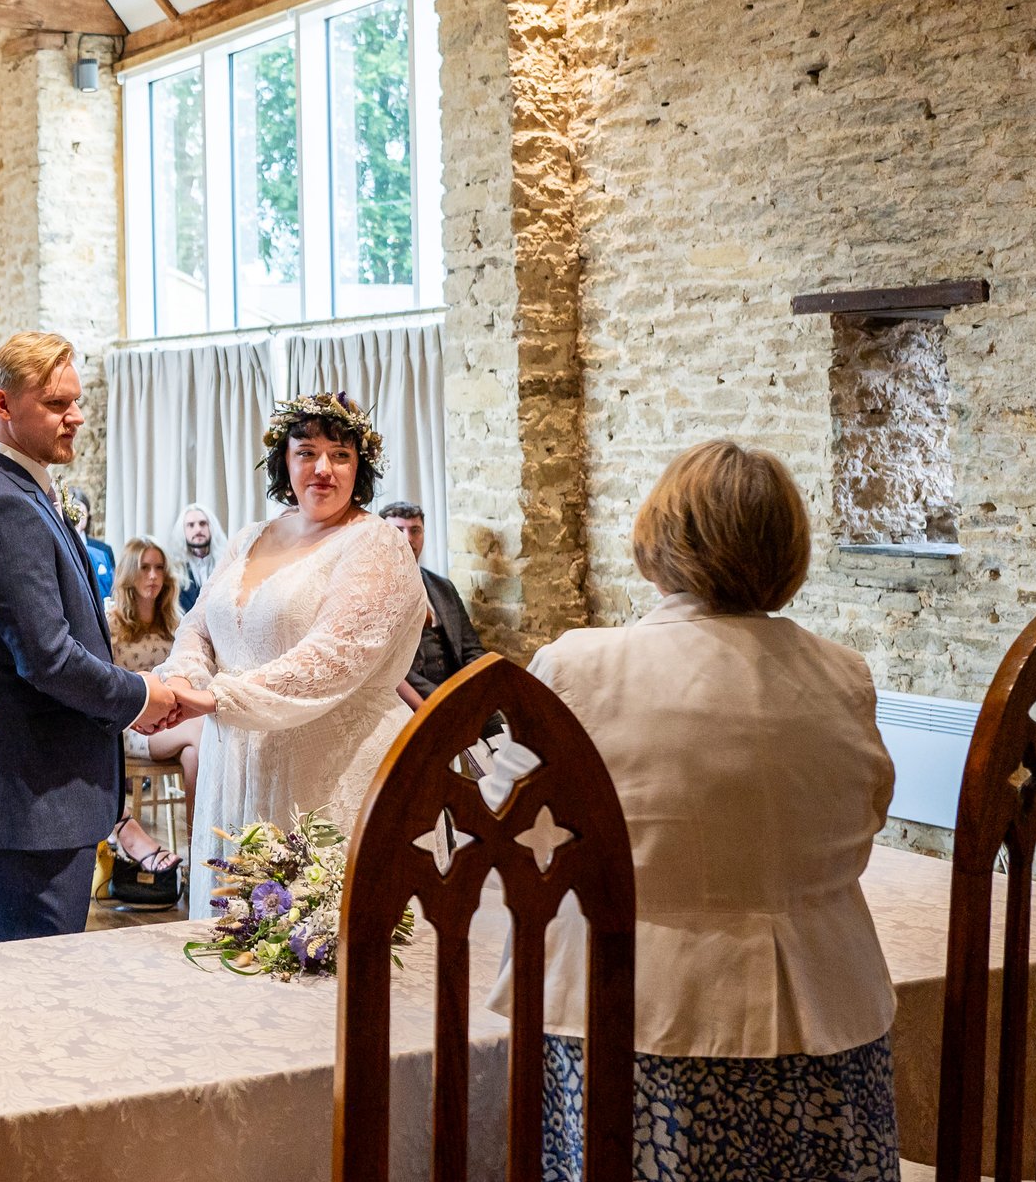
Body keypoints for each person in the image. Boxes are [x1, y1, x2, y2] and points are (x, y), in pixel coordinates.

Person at [494, 440, 900, 1182]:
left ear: (660, 535)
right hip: (824, 1015)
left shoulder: (581, 667)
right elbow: (869, 810)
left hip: (643, 1017)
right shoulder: (844, 673)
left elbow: (509, 831)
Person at [0, 333, 191, 943]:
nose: (76, 416)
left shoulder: (21, 492)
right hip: (28, 798)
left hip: (41, 795)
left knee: (29, 993)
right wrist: (141, 695)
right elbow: (48, 659)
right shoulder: (4, 506)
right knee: (27, 999)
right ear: (3, 405)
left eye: (76, 401)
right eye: (57, 404)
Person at [157, 393, 429, 916]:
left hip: (327, 769)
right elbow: (198, 626)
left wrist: (212, 698)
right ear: (285, 460)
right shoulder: (250, 538)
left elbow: (332, 659)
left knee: (313, 945)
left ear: (361, 467)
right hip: (232, 762)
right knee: (233, 936)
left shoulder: (376, 545)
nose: (322, 469)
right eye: (306, 452)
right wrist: (184, 682)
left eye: (341, 455)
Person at [104, 535, 194, 885]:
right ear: (129, 573)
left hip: (172, 719)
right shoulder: (110, 622)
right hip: (131, 724)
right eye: (144, 568)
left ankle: (197, 849)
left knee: (196, 749)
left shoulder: (174, 620)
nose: (153, 576)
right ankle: (200, 848)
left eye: (159, 568)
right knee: (202, 734)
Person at [375, 500, 486, 697]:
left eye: (415, 530)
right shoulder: (374, 593)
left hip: (459, 689)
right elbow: (390, 669)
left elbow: (472, 649)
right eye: (398, 530)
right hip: (413, 699)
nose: (408, 538)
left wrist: (474, 688)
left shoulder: (443, 587)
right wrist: (443, 699)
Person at [170, 503, 225, 615]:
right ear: (183, 531)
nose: (198, 530)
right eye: (191, 525)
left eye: (203, 523)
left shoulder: (227, 566)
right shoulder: (173, 571)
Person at [63, 488, 114, 601]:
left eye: (81, 513)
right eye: (72, 512)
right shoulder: (60, 547)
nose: (77, 517)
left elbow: (113, 588)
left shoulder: (103, 551)